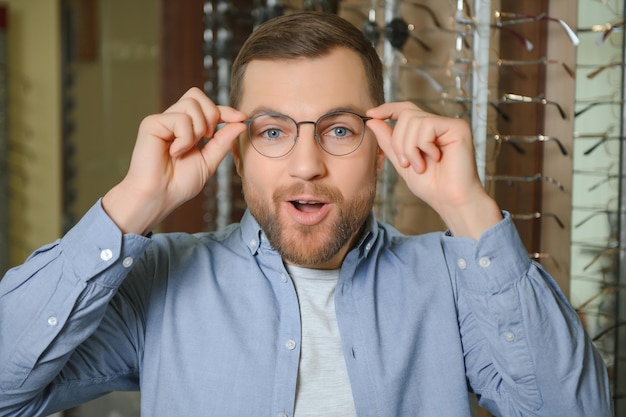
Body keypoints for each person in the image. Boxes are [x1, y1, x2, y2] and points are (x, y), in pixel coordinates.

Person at [0, 11, 612, 417]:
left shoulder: (453, 284)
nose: (305, 165)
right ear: (237, 155)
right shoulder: (158, 282)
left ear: (380, 151)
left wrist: (467, 208)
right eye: (272, 132)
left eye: (339, 130)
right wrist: (132, 204)